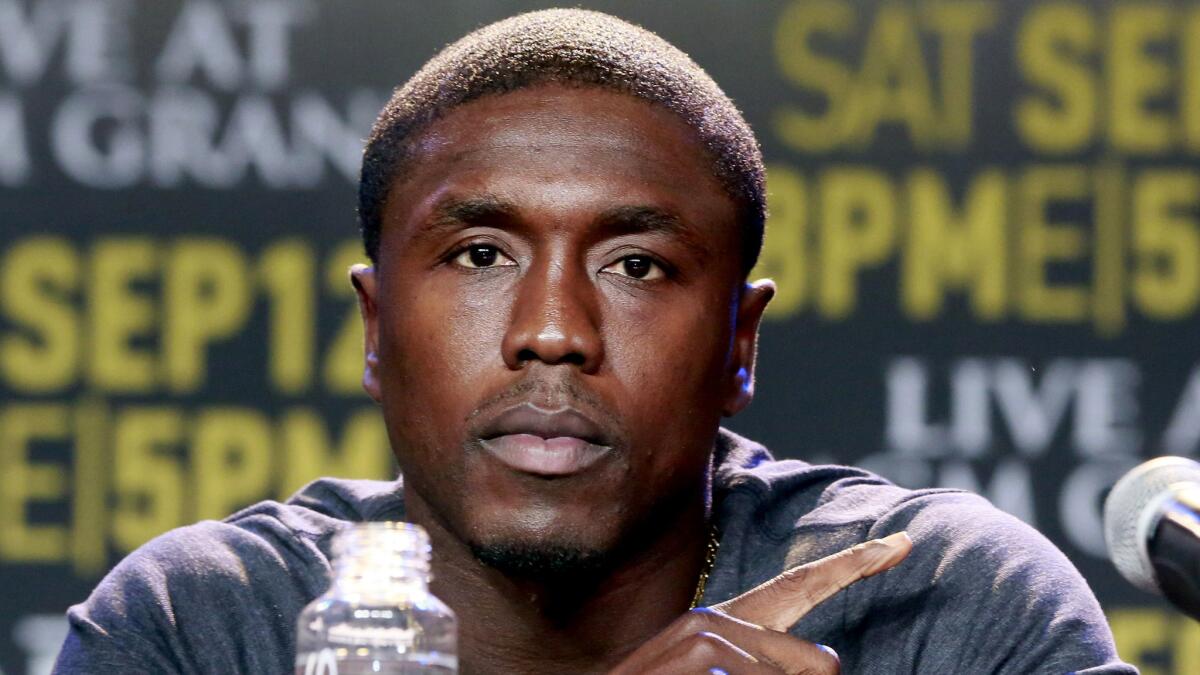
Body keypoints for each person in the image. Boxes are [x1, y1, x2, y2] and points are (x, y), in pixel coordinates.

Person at [55, 9, 1135, 674]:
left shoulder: (941, 604)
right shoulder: (207, 624)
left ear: (739, 345)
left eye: (638, 267)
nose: (554, 334)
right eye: (481, 255)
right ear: (377, 327)